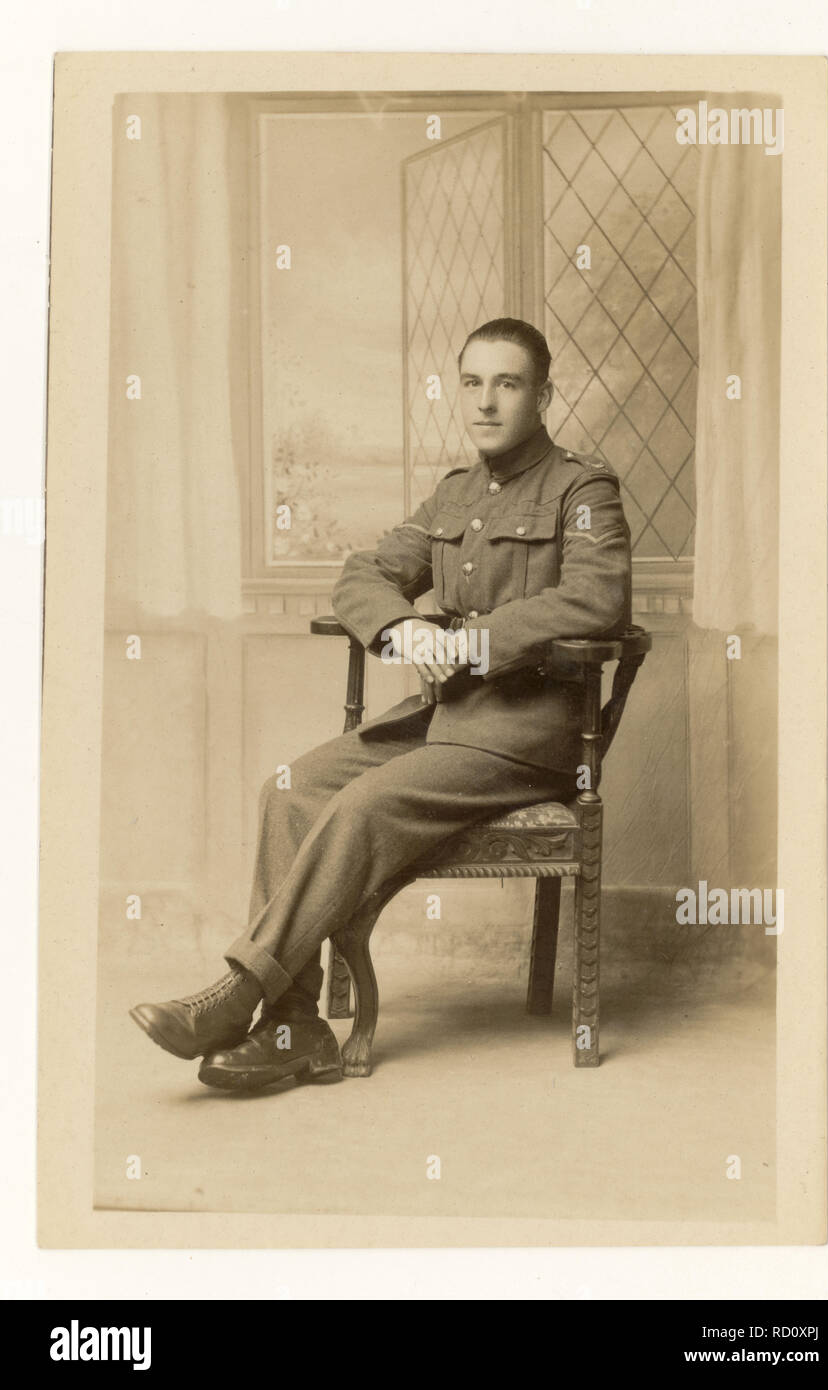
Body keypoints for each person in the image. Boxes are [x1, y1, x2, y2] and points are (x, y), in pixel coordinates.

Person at [130, 318, 632, 1092]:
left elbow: (597, 600)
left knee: (361, 806)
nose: (486, 402)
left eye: (508, 384)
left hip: (526, 739)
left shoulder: (580, 488)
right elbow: (363, 571)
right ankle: (297, 1028)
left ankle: (241, 992)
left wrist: (469, 644)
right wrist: (398, 626)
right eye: (472, 382)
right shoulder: (454, 496)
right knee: (289, 789)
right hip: (440, 727)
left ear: (542, 396)